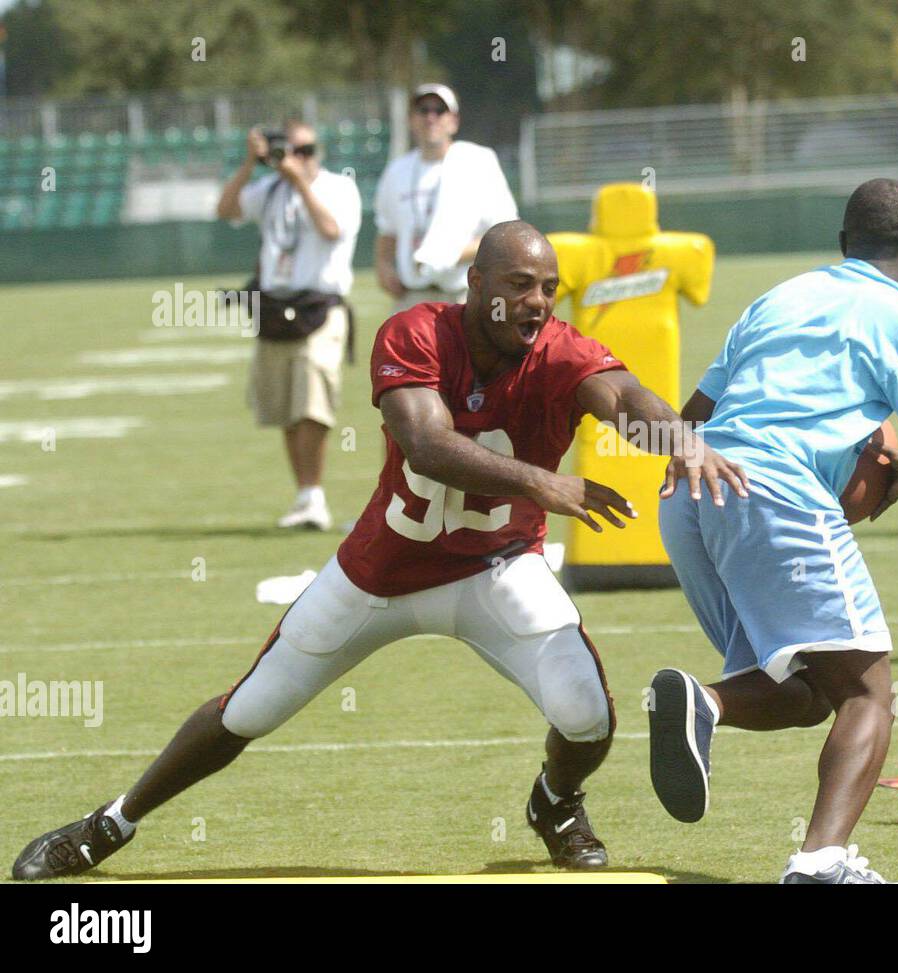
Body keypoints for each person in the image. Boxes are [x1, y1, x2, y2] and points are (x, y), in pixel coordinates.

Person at [11, 221, 746, 881]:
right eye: (520, 284)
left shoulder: (559, 351)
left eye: (549, 288)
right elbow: (426, 444)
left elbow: (624, 397)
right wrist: (543, 482)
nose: (537, 301)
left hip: (498, 569)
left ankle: (554, 802)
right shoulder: (416, 331)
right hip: (382, 576)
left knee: (588, 713)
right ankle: (110, 823)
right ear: (476, 282)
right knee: (248, 711)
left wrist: (677, 440)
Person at [649, 179, 898, 884]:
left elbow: (689, 415)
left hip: (689, 494)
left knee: (809, 689)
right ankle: (821, 860)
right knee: (868, 692)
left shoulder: (779, 298)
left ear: (842, 245)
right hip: (771, 491)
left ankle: (705, 701)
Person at [216, 121, 362, 531]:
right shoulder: (270, 190)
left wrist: (301, 184)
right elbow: (225, 210)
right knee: (284, 407)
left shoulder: (338, 188)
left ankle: (314, 494)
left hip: (320, 306)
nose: (298, 158)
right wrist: (249, 164)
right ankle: (304, 495)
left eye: (307, 150)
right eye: (289, 150)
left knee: (313, 404)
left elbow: (332, 230)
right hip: (275, 308)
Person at [374, 83, 518, 313]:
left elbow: (504, 232)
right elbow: (387, 230)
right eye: (423, 111)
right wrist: (383, 267)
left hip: (463, 295)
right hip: (412, 298)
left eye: (439, 110)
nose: (431, 117)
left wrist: (450, 256)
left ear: (454, 121)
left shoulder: (478, 161)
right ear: (411, 120)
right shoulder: (396, 170)